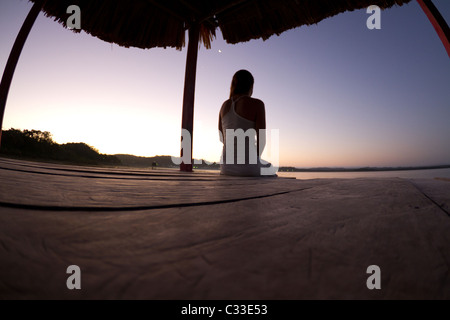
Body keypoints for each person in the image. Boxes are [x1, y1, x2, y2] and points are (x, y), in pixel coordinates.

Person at [218, 70, 276, 177]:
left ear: (233, 85)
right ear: (251, 86)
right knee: (271, 168)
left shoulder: (224, 106)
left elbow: (222, 138)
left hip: (225, 168)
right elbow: (261, 140)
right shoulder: (257, 104)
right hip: (248, 169)